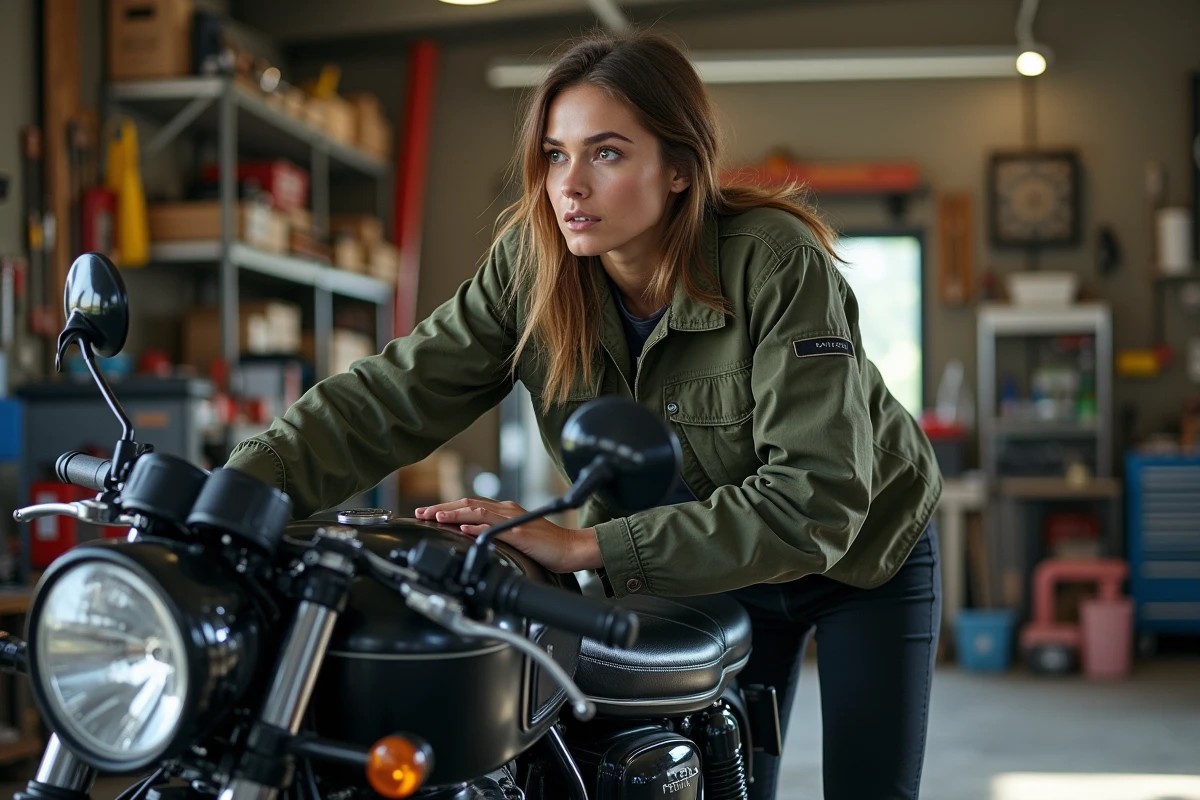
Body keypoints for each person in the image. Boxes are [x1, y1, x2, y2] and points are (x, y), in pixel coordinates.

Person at [227, 29, 943, 800]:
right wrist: (233, 497)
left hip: (863, 557)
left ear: (677, 168)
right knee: (710, 780)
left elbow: (818, 502)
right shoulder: (532, 266)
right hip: (704, 568)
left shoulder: (773, 261)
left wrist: (583, 545)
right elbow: (389, 396)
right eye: (555, 154)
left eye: (605, 153)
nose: (569, 185)